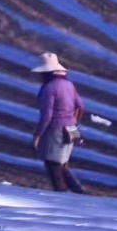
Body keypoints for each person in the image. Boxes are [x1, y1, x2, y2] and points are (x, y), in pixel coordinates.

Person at [30, 52, 86, 192]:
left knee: (53, 164)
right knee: (61, 164)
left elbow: (47, 115)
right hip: (70, 129)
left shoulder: (49, 88)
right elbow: (80, 106)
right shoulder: (69, 84)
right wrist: (73, 122)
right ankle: (77, 192)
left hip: (55, 130)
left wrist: (38, 135)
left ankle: (64, 194)